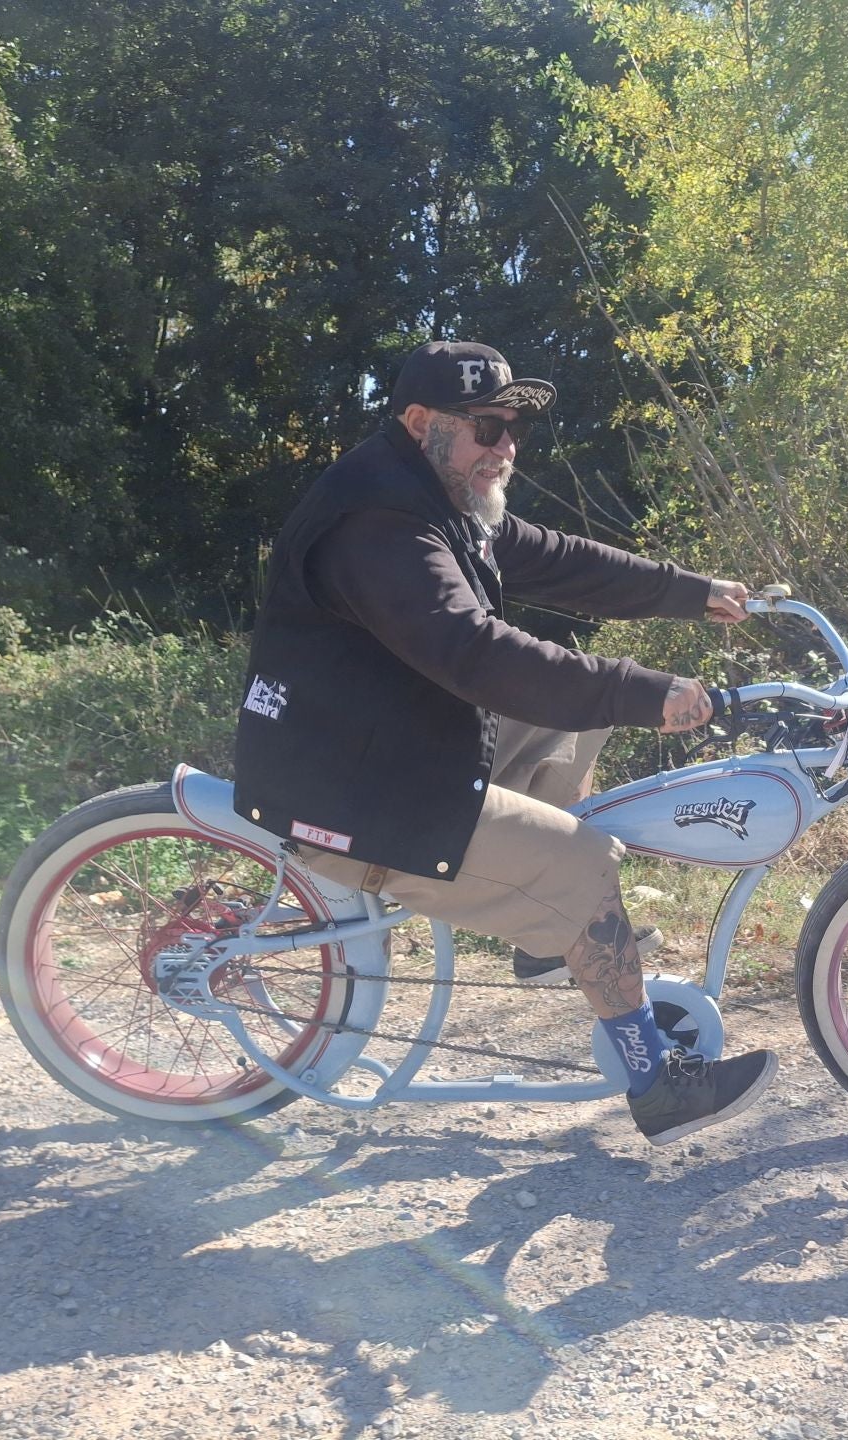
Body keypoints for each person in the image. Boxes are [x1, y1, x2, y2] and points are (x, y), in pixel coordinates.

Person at [232, 338, 777, 1144]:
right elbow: (476, 654)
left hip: (382, 736)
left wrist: (693, 594)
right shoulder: (379, 525)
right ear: (421, 423)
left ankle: (541, 937)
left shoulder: (436, 496)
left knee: (575, 712)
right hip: (352, 790)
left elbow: (559, 560)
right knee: (587, 862)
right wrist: (646, 692)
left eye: (515, 429)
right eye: (488, 427)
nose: (507, 447)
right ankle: (657, 1083)